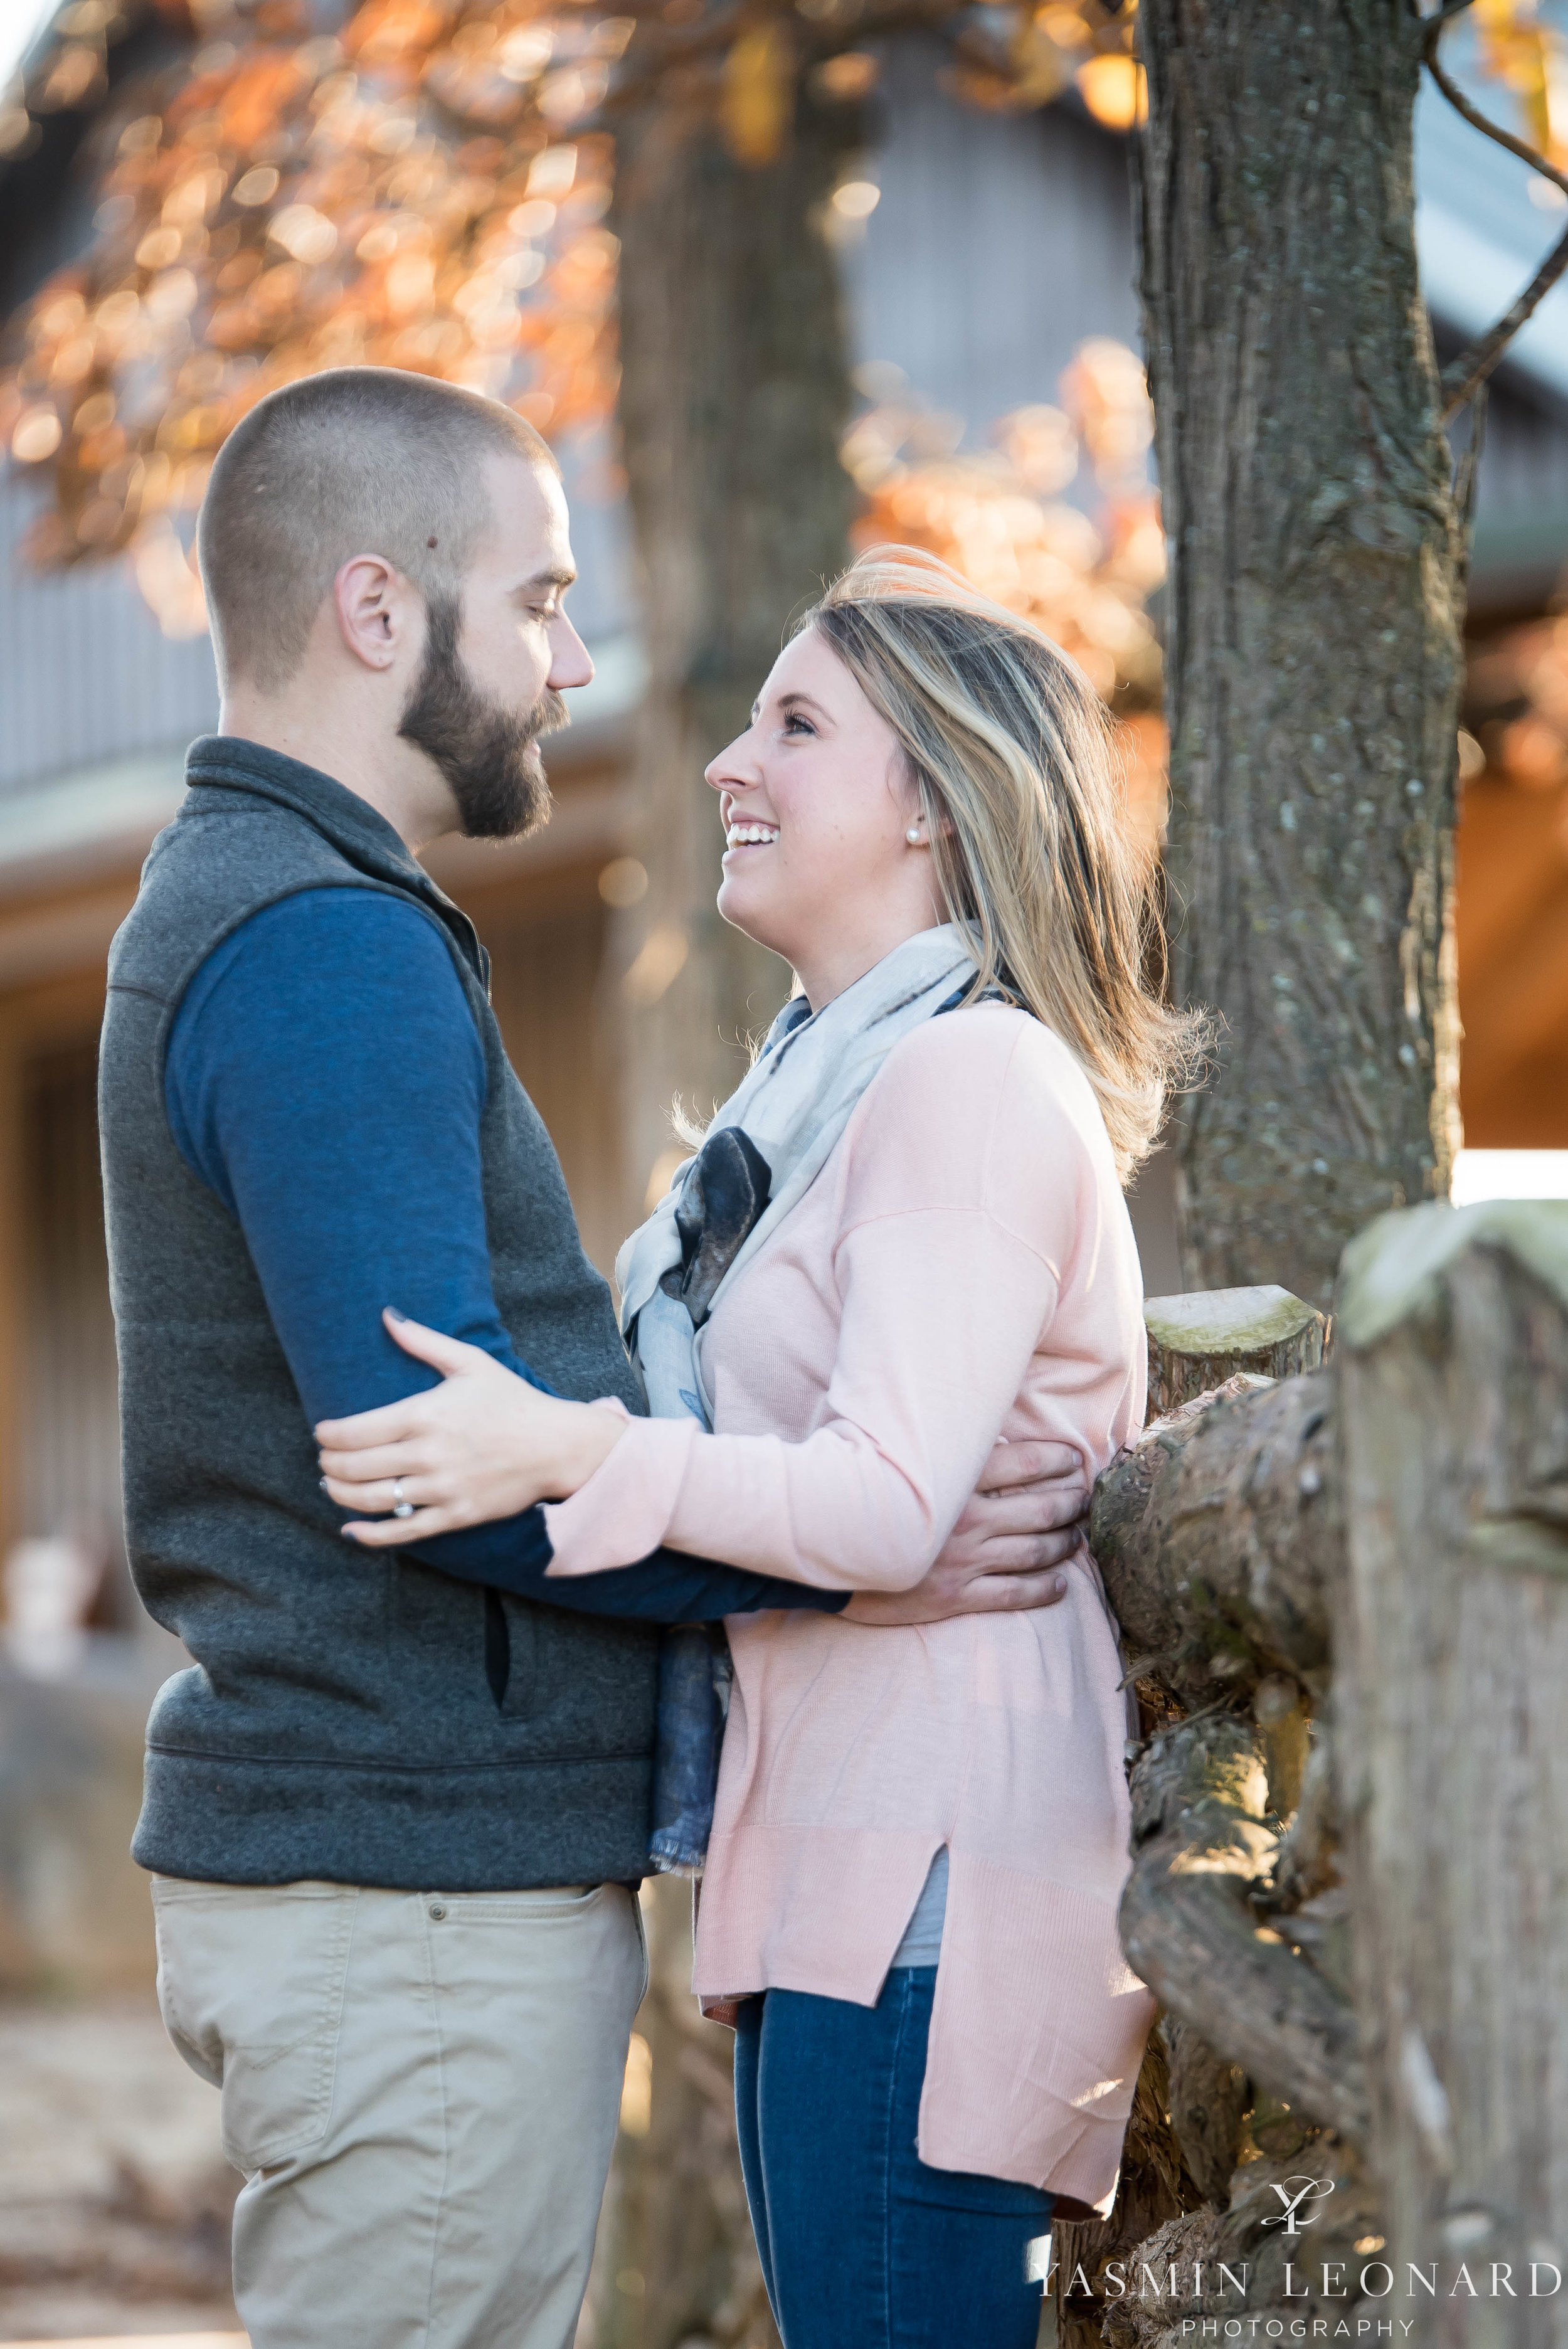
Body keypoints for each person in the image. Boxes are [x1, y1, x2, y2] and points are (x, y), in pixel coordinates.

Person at [98, 369, 1092, 2349]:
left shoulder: (308, 916)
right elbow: (428, 1453)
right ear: (380, 613)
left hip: (439, 1879)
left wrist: (822, 1525)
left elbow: (504, 1443)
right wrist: (832, 1547)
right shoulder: (320, 939)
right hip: (415, 1896)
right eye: (538, 602)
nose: (571, 663)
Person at [316, 548, 1205, 2349]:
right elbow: (876, 1512)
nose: (730, 762)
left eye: (794, 725)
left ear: (938, 811)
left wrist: (560, 1454)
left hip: (928, 1899)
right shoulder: (821, 1094)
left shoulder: (960, 1084)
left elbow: (882, 1505)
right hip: (839, 1879)